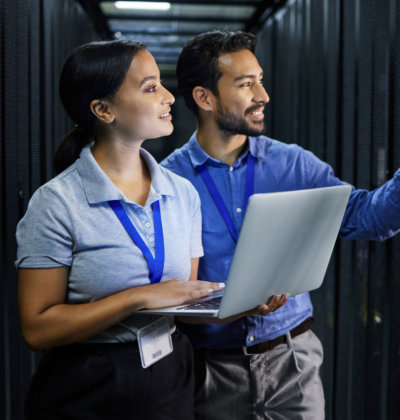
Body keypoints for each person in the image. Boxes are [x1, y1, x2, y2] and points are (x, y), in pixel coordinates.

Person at [161, 31, 400, 420]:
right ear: (204, 98)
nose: (263, 95)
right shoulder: (167, 181)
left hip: (293, 364)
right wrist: (225, 304)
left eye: (260, 79)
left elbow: (367, 217)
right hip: (210, 374)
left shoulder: (294, 164)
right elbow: (159, 286)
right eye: (246, 83)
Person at [15, 39, 230, 419]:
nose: (168, 98)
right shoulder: (56, 202)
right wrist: (137, 297)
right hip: (89, 386)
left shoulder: (183, 194)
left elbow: (180, 301)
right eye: (150, 88)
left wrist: (238, 305)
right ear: (103, 109)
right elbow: (37, 329)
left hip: (169, 375)